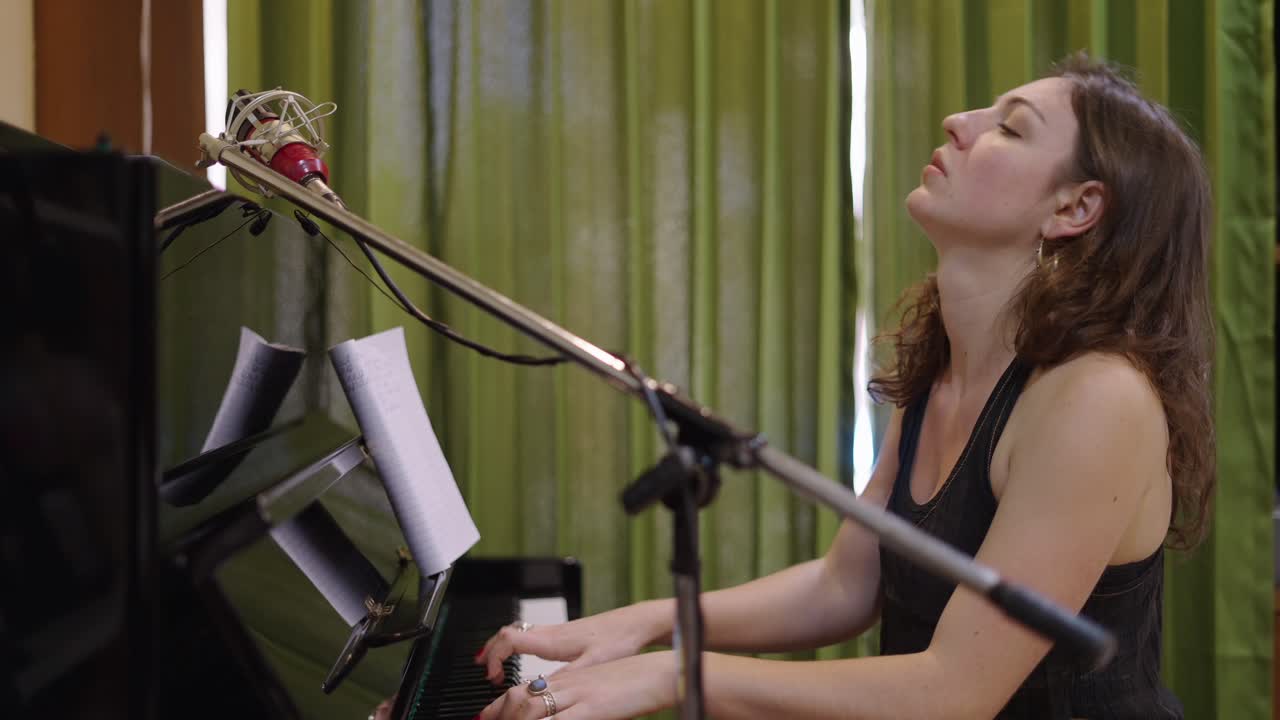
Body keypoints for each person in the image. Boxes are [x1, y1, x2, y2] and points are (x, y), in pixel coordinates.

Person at [468, 53, 1214, 719]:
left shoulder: (1096, 397)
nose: (958, 121)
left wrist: (674, 672)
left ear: (1074, 209)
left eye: (1009, 129)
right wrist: (647, 620)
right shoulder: (947, 363)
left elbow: (956, 691)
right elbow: (843, 586)